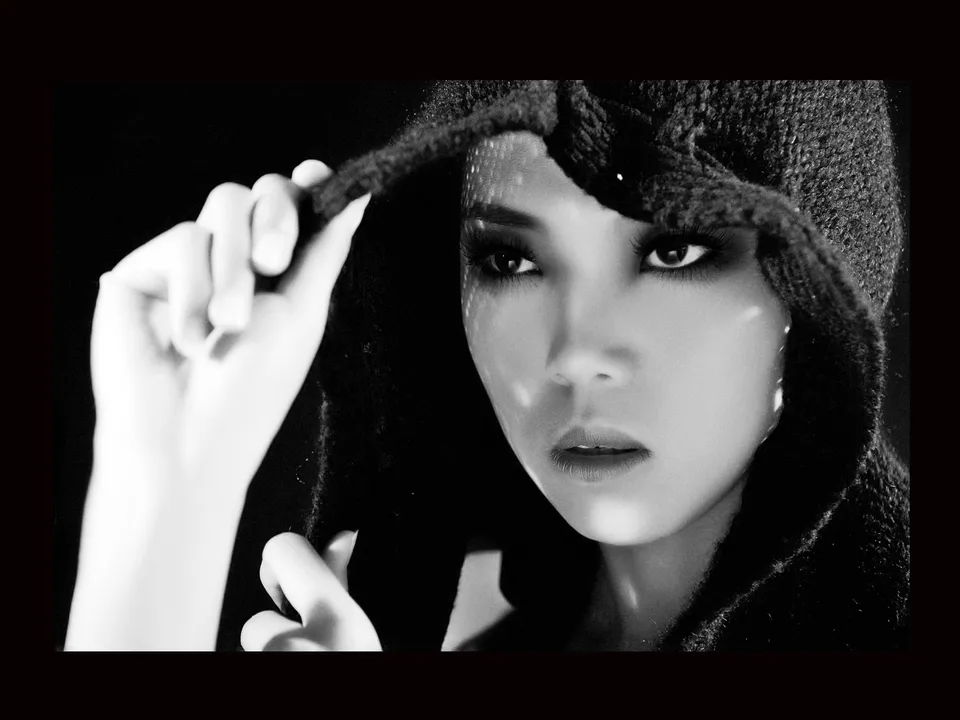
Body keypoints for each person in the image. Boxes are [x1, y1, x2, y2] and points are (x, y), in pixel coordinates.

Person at [64, 80, 909, 651]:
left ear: (821, 284)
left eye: (675, 249)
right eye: (510, 260)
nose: (575, 354)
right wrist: (166, 484)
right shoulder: (441, 621)